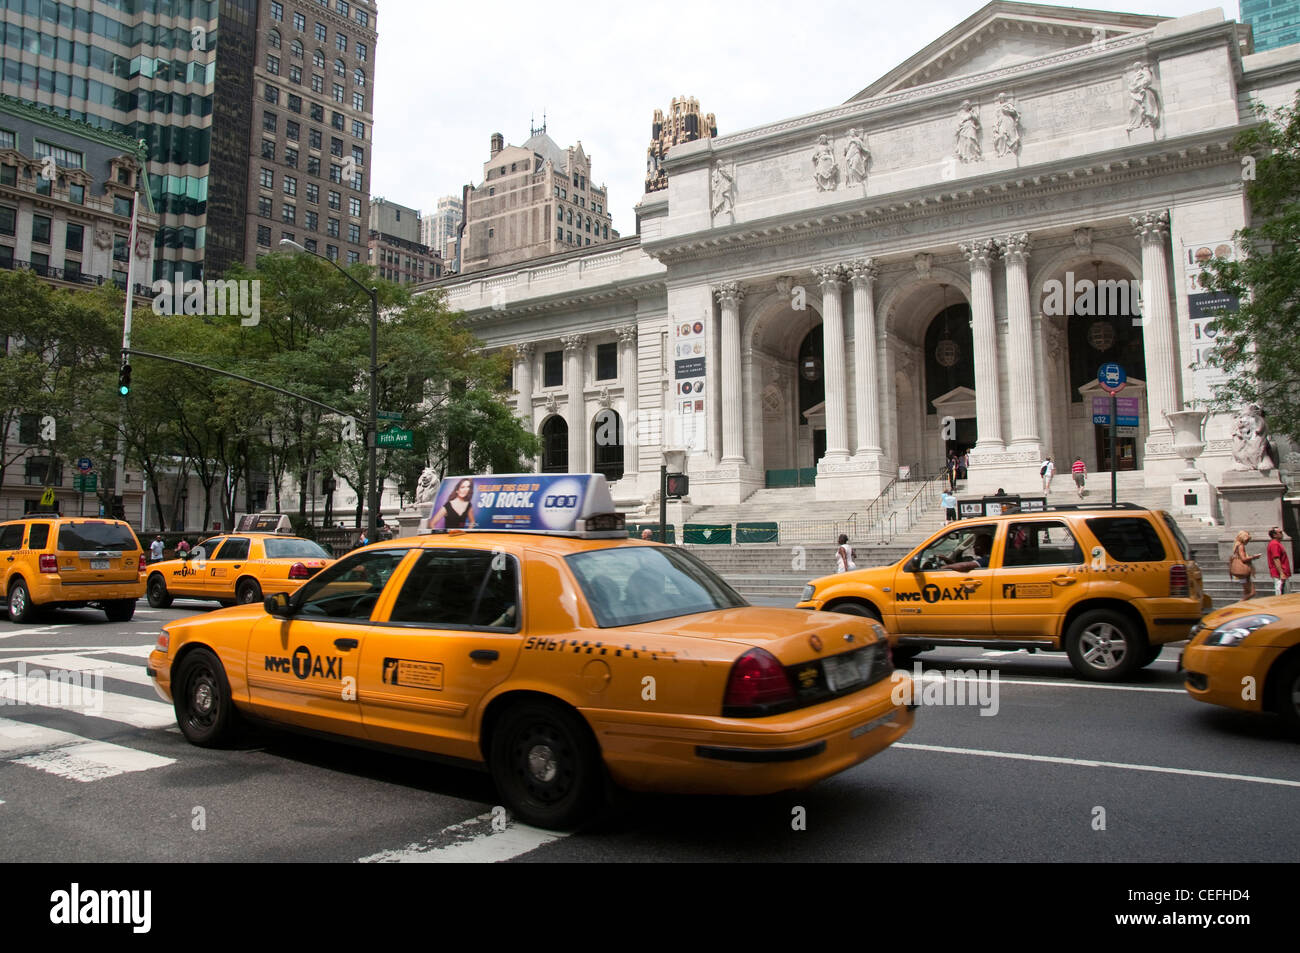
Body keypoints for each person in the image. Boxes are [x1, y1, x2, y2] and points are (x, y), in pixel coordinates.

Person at [1230, 530, 1262, 600]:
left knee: (1246, 591)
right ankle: (1240, 604)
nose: (1248, 541)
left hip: (1240, 573)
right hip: (1243, 572)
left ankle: (1244, 604)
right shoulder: (1241, 546)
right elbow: (1243, 559)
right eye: (1247, 540)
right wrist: (1254, 557)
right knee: (1252, 592)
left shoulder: (1237, 545)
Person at [1266, 527, 1291, 597]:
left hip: (1282, 573)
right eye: (1280, 532)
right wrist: (1281, 573)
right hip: (1279, 574)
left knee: (1285, 594)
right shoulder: (1274, 544)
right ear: (1274, 535)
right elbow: (1276, 559)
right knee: (1282, 595)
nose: (1282, 534)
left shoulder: (1277, 543)